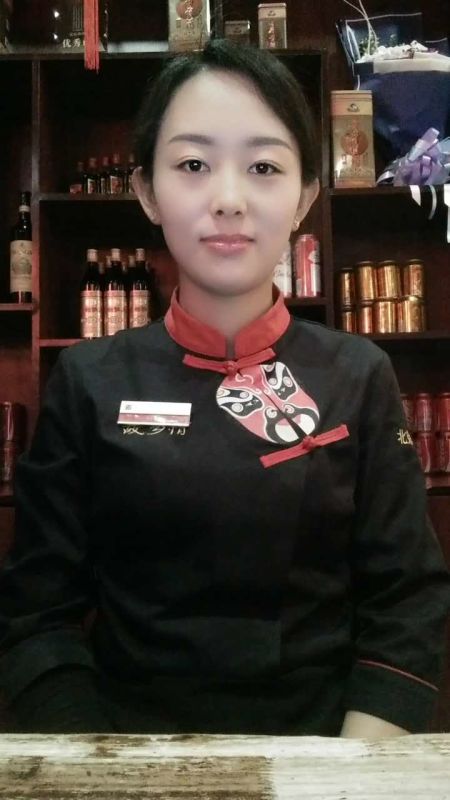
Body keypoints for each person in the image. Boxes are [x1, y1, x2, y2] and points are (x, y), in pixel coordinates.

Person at [0, 39, 449, 739]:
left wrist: (347, 773)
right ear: (147, 192)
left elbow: (407, 600)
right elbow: (36, 614)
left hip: (326, 750)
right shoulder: (87, 381)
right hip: (126, 750)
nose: (229, 200)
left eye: (264, 167)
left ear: (304, 198)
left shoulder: (359, 374)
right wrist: (102, 768)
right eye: (193, 165)